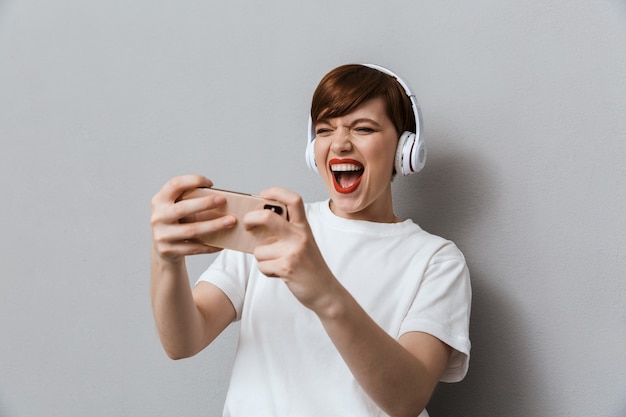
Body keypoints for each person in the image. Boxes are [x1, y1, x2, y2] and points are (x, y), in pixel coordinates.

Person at [150, 64, 471, 417]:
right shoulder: (271, 227)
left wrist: (323, 290)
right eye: (324, 129)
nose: (340, 143)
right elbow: (182, 341)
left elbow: (407, 399)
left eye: (363, 128)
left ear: (404, 148)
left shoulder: (437, 260)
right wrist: (165, 261)